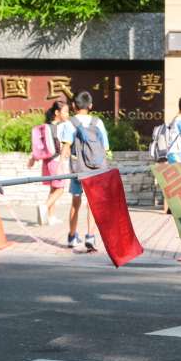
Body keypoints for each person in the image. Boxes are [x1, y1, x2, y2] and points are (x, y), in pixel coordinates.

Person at [59, 90, 110, 250]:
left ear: (74, 105)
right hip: (95, 168)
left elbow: (66, 147)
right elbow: (105, 147)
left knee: (76, 201)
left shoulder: (70, 123)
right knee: (93, 203)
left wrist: (61, 165)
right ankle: (91, 236)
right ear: (91, 106)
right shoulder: (98, 122)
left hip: (77, 168)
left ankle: (72, 236)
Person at [28, 100, 69, 226]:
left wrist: (33, 159)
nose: (67, 114)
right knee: (61, 189)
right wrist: (62, 160)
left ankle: (51, 217)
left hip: (47, 162)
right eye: (66, 112)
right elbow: (63, 146)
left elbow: (40, 145)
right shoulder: (59, 127)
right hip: (56, 162)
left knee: (53, 188)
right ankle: (44, 207)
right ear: (57, 112)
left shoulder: (46, 126)